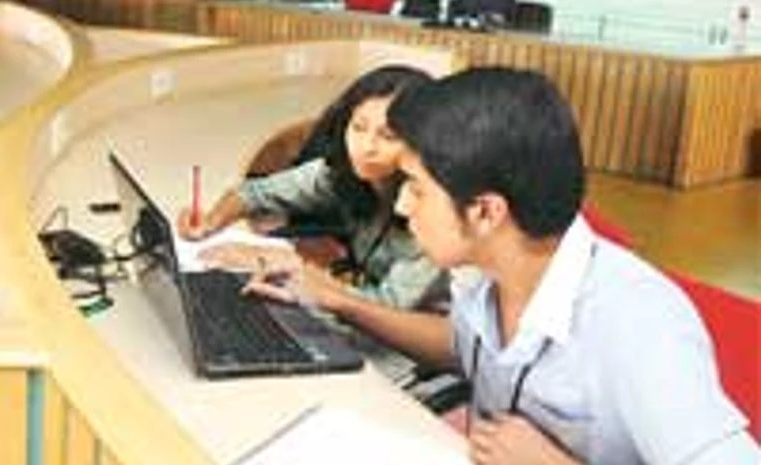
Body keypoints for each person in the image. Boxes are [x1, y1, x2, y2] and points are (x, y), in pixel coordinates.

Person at [232, 67, 761, 464]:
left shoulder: (639, 327)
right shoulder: (492, 268)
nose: (403, 206)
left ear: (486, 211)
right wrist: (339, 301)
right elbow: (466, 346)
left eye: (416, 189)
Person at [179, 65, 448, 312]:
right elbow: (256, 193)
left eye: (388, 136)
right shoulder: (342, 172)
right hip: (355, 308)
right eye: (358, 128)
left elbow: (388, 310)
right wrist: (210, 224)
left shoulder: (434, 216)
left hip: (399, 338)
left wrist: (294, 270)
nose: (366, 147)